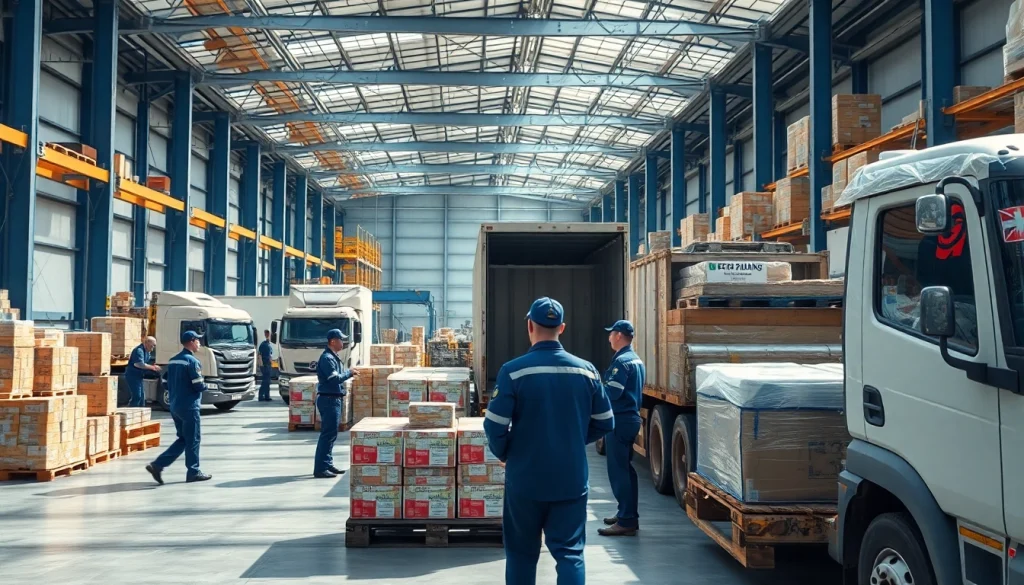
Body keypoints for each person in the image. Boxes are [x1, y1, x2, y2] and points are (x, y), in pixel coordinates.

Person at [484, 297, 614, 585]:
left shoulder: (513, 371)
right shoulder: (587, 371)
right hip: (570, 479)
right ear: (562, 328)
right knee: (569, 553)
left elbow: (494, 426)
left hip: (525, 479)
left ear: (529, 325)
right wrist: (574, 439)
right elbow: (606, 421)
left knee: (521, 553)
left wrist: (506, 453)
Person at [598, 320, 645, 537]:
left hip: (620, 420)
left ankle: (626, 520)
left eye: (610, 334)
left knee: (618, 471)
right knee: (626, 469)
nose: (608, 338)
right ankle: (626, 513)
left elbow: (612, 393)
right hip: (630, 418)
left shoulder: (622, 363)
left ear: (618, 336)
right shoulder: (635, 360)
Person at [146, 331, 212, 484]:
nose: (199, 344)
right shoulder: (192, 362)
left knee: (183, 439)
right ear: (192, 341)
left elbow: (164, 382)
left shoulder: (174, 361)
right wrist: (206, 386)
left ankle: (158, 465)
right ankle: (193, 472)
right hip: (190, 406)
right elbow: (198, 385)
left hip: (175, 406)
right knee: (193, 439)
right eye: (198, 341)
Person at [313, 328, 357, 479]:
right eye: (341, 339)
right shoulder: (327, 359)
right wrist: (349, 373)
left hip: (334, 399)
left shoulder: (333, 357)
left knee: (332, 435)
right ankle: (320, 468)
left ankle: (327, 463)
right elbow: (334, 379)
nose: (343, 342)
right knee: (327, 435)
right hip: (329, 400)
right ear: (333, 341)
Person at [126, 336, 159, 407]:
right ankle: (131, 412)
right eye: (152, 346)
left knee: (142, 398)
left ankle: (141, 414)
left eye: (154, 346)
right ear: (146, 343)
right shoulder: (139, 350)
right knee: (137, 396)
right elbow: (138, 364)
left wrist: (152, 366)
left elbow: (145, 364)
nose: (152, 348)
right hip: (132, 376)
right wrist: (152, 367)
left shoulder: (147, 352)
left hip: (139, 376)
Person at [258, 330, 274, 402]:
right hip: (265, 365)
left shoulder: (269, 345)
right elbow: (259, 355)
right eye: (267, 334)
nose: (268, 335)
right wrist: (261, 365)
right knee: (265, 381)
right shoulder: (263, 345)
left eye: (269, 334)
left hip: (269, 365)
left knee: (267, 381)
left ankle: (267, 396)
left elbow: (270, 356)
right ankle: (261, 396)